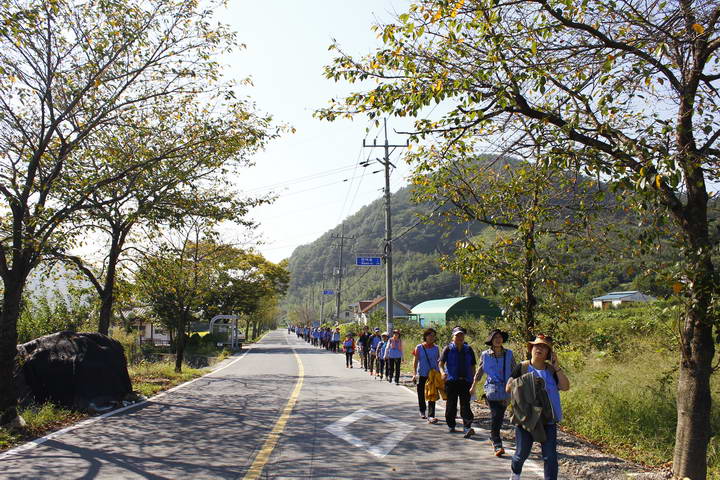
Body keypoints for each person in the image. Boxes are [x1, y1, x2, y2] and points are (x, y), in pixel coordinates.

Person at [506, 335, 570, 480]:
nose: (539, 349)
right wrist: (528, 381)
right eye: (537, 346)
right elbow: (508, 387)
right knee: (521, 453)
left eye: (544, 347)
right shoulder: (522, 367)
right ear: (531, 349)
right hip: (527, 418)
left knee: (550, 457)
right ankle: (515, 474)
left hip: (548, 418)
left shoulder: (551, 371)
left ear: (549, 353)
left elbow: (565, 387)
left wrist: (557, 367)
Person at [470, 328, 515, 456]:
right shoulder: (485, 355)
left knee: (500, 416)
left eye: (500, 337)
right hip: (491, 388)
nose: (498, 340)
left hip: (506, 388)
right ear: (491, 340)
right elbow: (479, 372)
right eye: (495, 337)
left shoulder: (509, 354)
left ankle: (493, 436)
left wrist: (516, 387)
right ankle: (497, 443)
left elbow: (515, 371)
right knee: (496, 415)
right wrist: (473, 386)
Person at [439, 326, 476, 438]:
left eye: (461, 335)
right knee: (451, 404)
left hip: (466, 381)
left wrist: (474, 379)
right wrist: (442, 373)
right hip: (451, 381)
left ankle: (467, 426)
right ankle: (451, 424)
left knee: (465, 404)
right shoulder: (448, 349)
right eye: (457, 335)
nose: (460, 337)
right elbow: (440, 363)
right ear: (453, 337)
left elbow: (473, 365)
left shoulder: (468, 349)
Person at [412, 328, 440, 424]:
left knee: (432, 394)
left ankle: (431, 415)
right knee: (421, 393)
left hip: (432, 375)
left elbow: (438, 361)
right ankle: (422, 410)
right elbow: (415, 361)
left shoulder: (436, 348)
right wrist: (414, 374)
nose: (432, 338)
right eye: (430, 335)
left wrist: (440, 373)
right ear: (425, 336)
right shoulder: (419, 347)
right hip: (422, 374)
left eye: (433, 336)